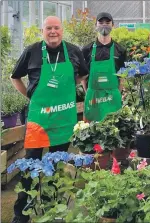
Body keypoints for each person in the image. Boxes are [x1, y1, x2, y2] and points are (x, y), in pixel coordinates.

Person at [9, 16, 89, 223]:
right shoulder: (32, 51)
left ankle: (54, 208)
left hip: (63, 118)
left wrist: (70, 89)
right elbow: (14, 77)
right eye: (48, 28)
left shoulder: (73, 51)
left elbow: (83, 76)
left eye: (56, 28)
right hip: (39, 120)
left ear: (62, 30)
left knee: (58, 165)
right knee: (30, 166)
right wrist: (30, 96)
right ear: (42, 31)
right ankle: (21, 213)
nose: (53, 31)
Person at [82, 12, 127, 122]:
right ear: (95, 25)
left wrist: (117, 93)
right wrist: (89, 92)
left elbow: (122, 78)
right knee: (91, 132)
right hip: (93, 99)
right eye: (101, 22)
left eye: (107, 22)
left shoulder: (120, 50)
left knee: (113, 131)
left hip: (112, 98)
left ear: (113, 25)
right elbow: (83, 76)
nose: (104, 25)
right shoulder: (86, 50)